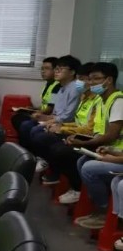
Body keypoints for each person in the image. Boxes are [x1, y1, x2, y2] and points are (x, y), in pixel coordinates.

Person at [70, 63, 123, 229]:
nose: (91, 83)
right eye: (90, 79)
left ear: (109, 80)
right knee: (82, 161)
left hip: (118, 154)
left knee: (88, 168)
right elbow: (99, 132)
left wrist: (86, 143)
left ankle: (103, 211)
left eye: (96, 79)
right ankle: (98, 204)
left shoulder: (118, 101)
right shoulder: (101, 100)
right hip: (111, 149)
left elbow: (112, 135)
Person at [37, 62, 100, 187]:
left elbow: (86, 127)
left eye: (82, 79)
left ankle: (73, 185)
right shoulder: (82, 96)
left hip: (89, 138)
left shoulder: (96, 100)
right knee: (39, 133)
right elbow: (75, 120)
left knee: (55, 146)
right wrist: (58, 125)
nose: (79, 82)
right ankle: (49, 168)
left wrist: (62, 128)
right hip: (75, 131)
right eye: (79, 79)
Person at [22, 55, 81, 168]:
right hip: (57, 121)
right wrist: (45, 118)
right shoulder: (61, 87)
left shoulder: (75, 89)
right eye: (56, 69)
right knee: (27, 123)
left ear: (72, 72)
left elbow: (68, 116)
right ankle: (32, 157)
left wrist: (49, 120)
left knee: (35, 130)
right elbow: (55, 111)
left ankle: (43, 161)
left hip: (68, 125)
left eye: (60, 69)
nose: (56, 72)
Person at [11, 57, 60, 142]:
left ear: (55, 70)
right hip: (43, 113)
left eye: (47, 68)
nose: (43, 71)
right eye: (42, 69)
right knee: (17, 116)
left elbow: (50, 109)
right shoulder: (48, 84)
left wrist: (35, 112)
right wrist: (33, 108)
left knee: (25, 124)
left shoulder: (57, 86)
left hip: (48, 116)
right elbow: (45, 104)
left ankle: (26, 146)